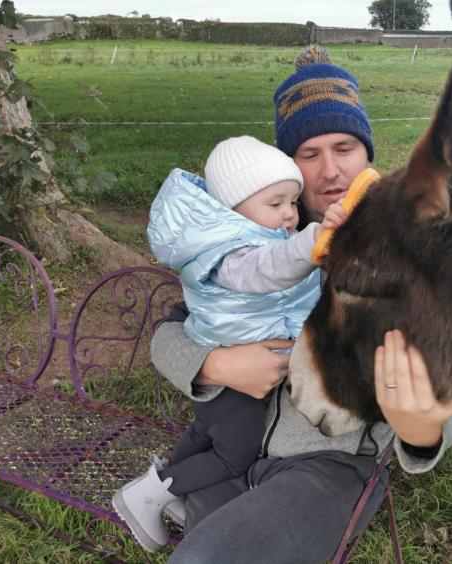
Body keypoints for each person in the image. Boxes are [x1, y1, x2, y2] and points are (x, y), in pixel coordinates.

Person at [150, 46, 452, 563]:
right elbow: (171, 332)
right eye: (309, 154)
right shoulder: (265, 238)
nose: (330, 172)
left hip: (326, 467)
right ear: (288, 168)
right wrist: (215, 363)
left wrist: (424, 430)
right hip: (230, 451)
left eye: (344, 147)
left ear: (368, 152)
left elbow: (444, 383)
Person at [112, 136, 347, 552]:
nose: (290, 215)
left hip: (236, 390)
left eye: (292, 203)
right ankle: (151, 493)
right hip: (234, 380)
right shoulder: (233, 254)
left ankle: (171, 489)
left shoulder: (246, 239)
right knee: (234, 454)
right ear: (230, 210)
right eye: (275, 205)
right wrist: (313, 241)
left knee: (205, 433)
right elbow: (267, 271)